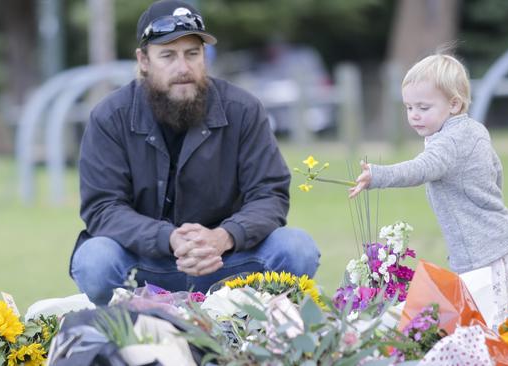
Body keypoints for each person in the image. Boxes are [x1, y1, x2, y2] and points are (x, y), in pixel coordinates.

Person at [70, 0, 320, 305]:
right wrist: (169, 238)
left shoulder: (243, 110)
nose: (183, 68)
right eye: (168, 56)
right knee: (95, 261)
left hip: (228, 262)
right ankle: (139, 315)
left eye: (193, 54)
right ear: (143, 61)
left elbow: (270, 195)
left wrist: (225, 236)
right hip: (146, 265)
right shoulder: (110, 117)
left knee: (297, 248)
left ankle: (242, 318)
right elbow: (103, 208)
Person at [348, 54, 508, 325]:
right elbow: (496, 172)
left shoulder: (449, 142)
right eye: (408, 107)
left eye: (423, 107)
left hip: (484, 252)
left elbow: (421, 169)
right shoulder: (472, 130)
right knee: (503, 320)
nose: (414, 115)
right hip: (499, 241)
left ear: (454, 104)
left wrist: (377, 175)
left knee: (486, 324)